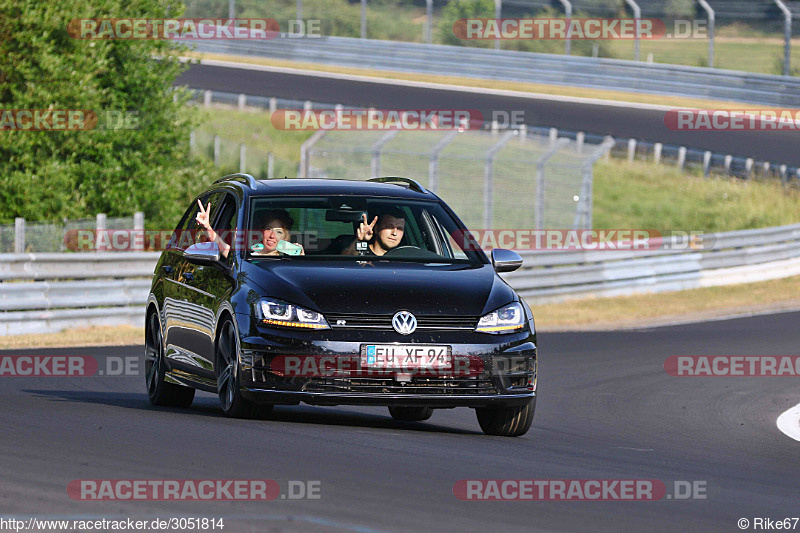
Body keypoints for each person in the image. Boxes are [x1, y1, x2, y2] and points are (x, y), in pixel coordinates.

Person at [195, 201, 303, 258]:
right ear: (262, 231)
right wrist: (207, 227)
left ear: (286, 237)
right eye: (269, 229)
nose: (272, 236)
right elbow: (226, 251)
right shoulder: (249, 255)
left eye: (279, 231)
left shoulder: (289, 260)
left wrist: (301, 260)